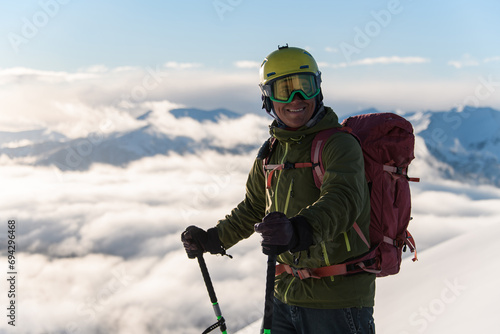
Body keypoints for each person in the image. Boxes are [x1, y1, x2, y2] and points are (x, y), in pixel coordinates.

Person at [181, 45, 375, 333]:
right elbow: (254, 208)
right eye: (284, 90)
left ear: (317, 89)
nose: (296, 98)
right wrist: (213, 239)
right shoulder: (271, 152)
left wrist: (298, 230)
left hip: (337, 302)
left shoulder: (339, 144)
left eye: (304, 87)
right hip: (282, 295)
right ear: (267, 97)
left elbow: (342, 201)